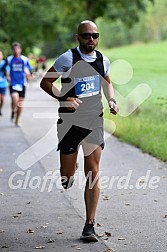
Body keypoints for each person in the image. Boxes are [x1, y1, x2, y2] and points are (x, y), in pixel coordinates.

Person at [40, 20, 119, 242]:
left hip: (94, 120)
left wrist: (111, 99)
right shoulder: (68, 59)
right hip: (69, 123)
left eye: (95, 35)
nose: (91, 40)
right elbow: (46, 82)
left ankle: (89, 225)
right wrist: (63, 97)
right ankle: (69, 169)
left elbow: (107, 82)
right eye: (86, 36)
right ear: (78, 38)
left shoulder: (103, 60)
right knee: (67, 177)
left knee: (93, 171)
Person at [6, 42, 32, 126]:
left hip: (22, 83)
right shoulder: (9, 59)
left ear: (20, 50)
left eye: (18, 49)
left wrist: (28, 74)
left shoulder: (24, 59)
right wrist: (7, 74)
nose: (16, 50)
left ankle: (17, 119)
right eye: (14, 49)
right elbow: (5, 67)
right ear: (12, 50)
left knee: (20, 104)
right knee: (14, 99)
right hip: (13, 83)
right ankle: (13, 111)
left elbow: (28, 68)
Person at [0, 51, 9, 116]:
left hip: (3, 84)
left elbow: (8, 72)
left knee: (2, 100)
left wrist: (8, 75)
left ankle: (0, 109)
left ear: (2, 56)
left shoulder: (4, 63)